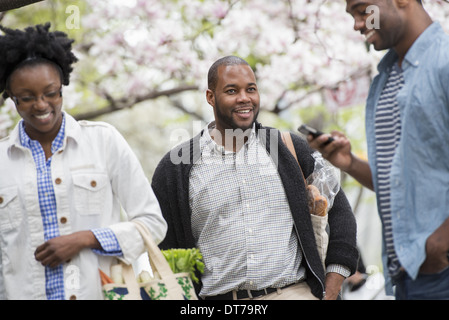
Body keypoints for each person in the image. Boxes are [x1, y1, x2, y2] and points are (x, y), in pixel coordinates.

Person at [151, 56, 358, 300]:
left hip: (291, 293)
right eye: (231, 90)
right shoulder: (175, 169)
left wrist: (331, 288)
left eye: (251, 89)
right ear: (210, 97)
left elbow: (341, 212)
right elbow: (162, 250)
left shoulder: (290, 149)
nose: (244, 98)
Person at [0, 23, 167, 300]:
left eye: (50, 93)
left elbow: (152, 223)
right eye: (27, 98)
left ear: (62, 88)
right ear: (13, 100)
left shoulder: (104, 141)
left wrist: (87, 238)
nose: (41, 105)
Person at [307, 0, 449, 299]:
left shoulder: (444, 62)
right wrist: (350, 163)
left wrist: (441, 242)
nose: (357, 24)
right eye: (352, 16)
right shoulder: (384, 80)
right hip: (406, 274)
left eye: (362, 10)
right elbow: (401, 183)